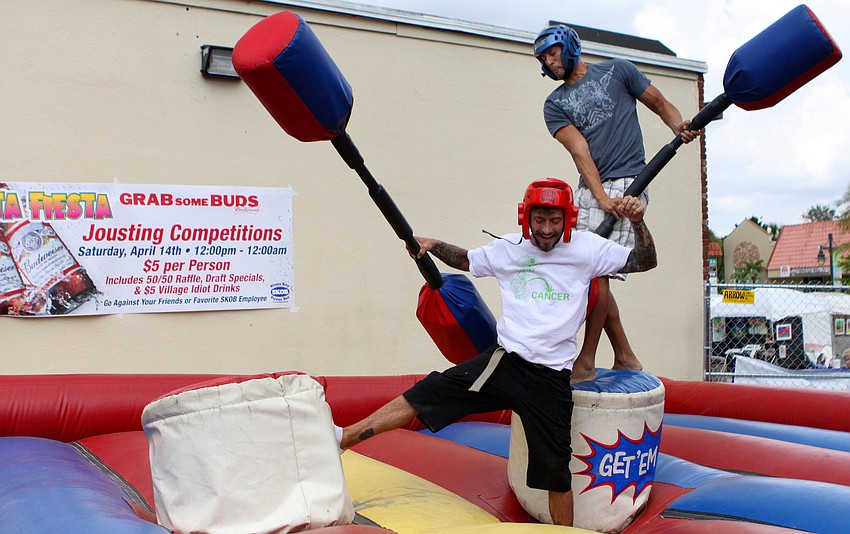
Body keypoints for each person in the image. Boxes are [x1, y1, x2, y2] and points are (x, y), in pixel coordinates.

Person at [340, 178, 658, 526]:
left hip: (551, 380)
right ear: (526, 217)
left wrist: (637, 222)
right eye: (539, 220)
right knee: (427, 392)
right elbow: (466, 260)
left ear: (568, 218)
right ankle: (346, 436)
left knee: (556, 475)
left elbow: (644, 261)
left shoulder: (588, 249)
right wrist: (433, 244)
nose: (546, 229)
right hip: (505, 363)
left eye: (555, 220)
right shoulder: (510, 248)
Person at [533, 24, 701, 383]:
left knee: (598, 271)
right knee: (587, 271)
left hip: (629, 183)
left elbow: (659, 103)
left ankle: (587, 360)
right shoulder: (554, 105)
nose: (549, 62)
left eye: (553, 53)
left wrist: (678, 126)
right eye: (543, 59)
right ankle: (625, 355)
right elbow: (580, 151)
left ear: (570, 46)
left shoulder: (619, 71)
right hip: (591, 189)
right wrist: (599, 197)